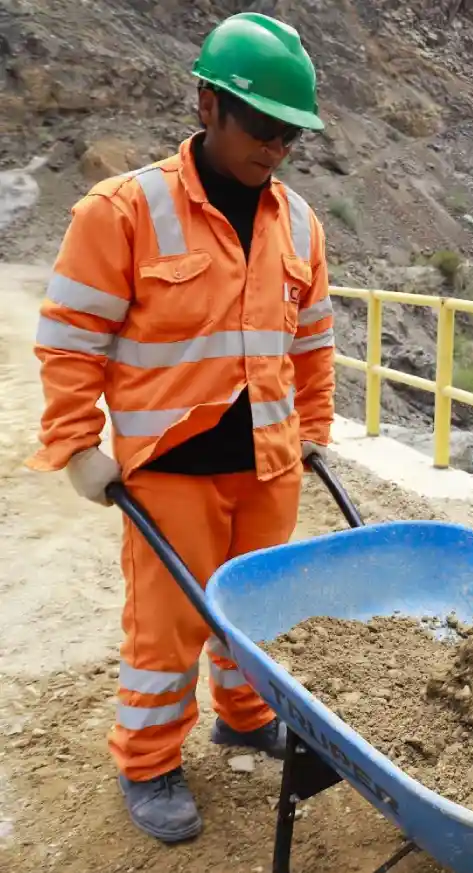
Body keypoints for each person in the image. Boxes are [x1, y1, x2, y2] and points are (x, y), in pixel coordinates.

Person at [26, 12, 335, 843]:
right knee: (167, 627)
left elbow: (313, 338)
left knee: (257, 610)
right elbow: (72, 337)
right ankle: (152, 758)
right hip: (171, 464)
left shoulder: (300, 223)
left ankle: (242, 715)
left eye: (291, 135)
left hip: (268, 461)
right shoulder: (122, 210)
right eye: (262, 127)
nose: (276, 147)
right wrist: (78, 444)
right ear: (208, 103)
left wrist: (314, 424)